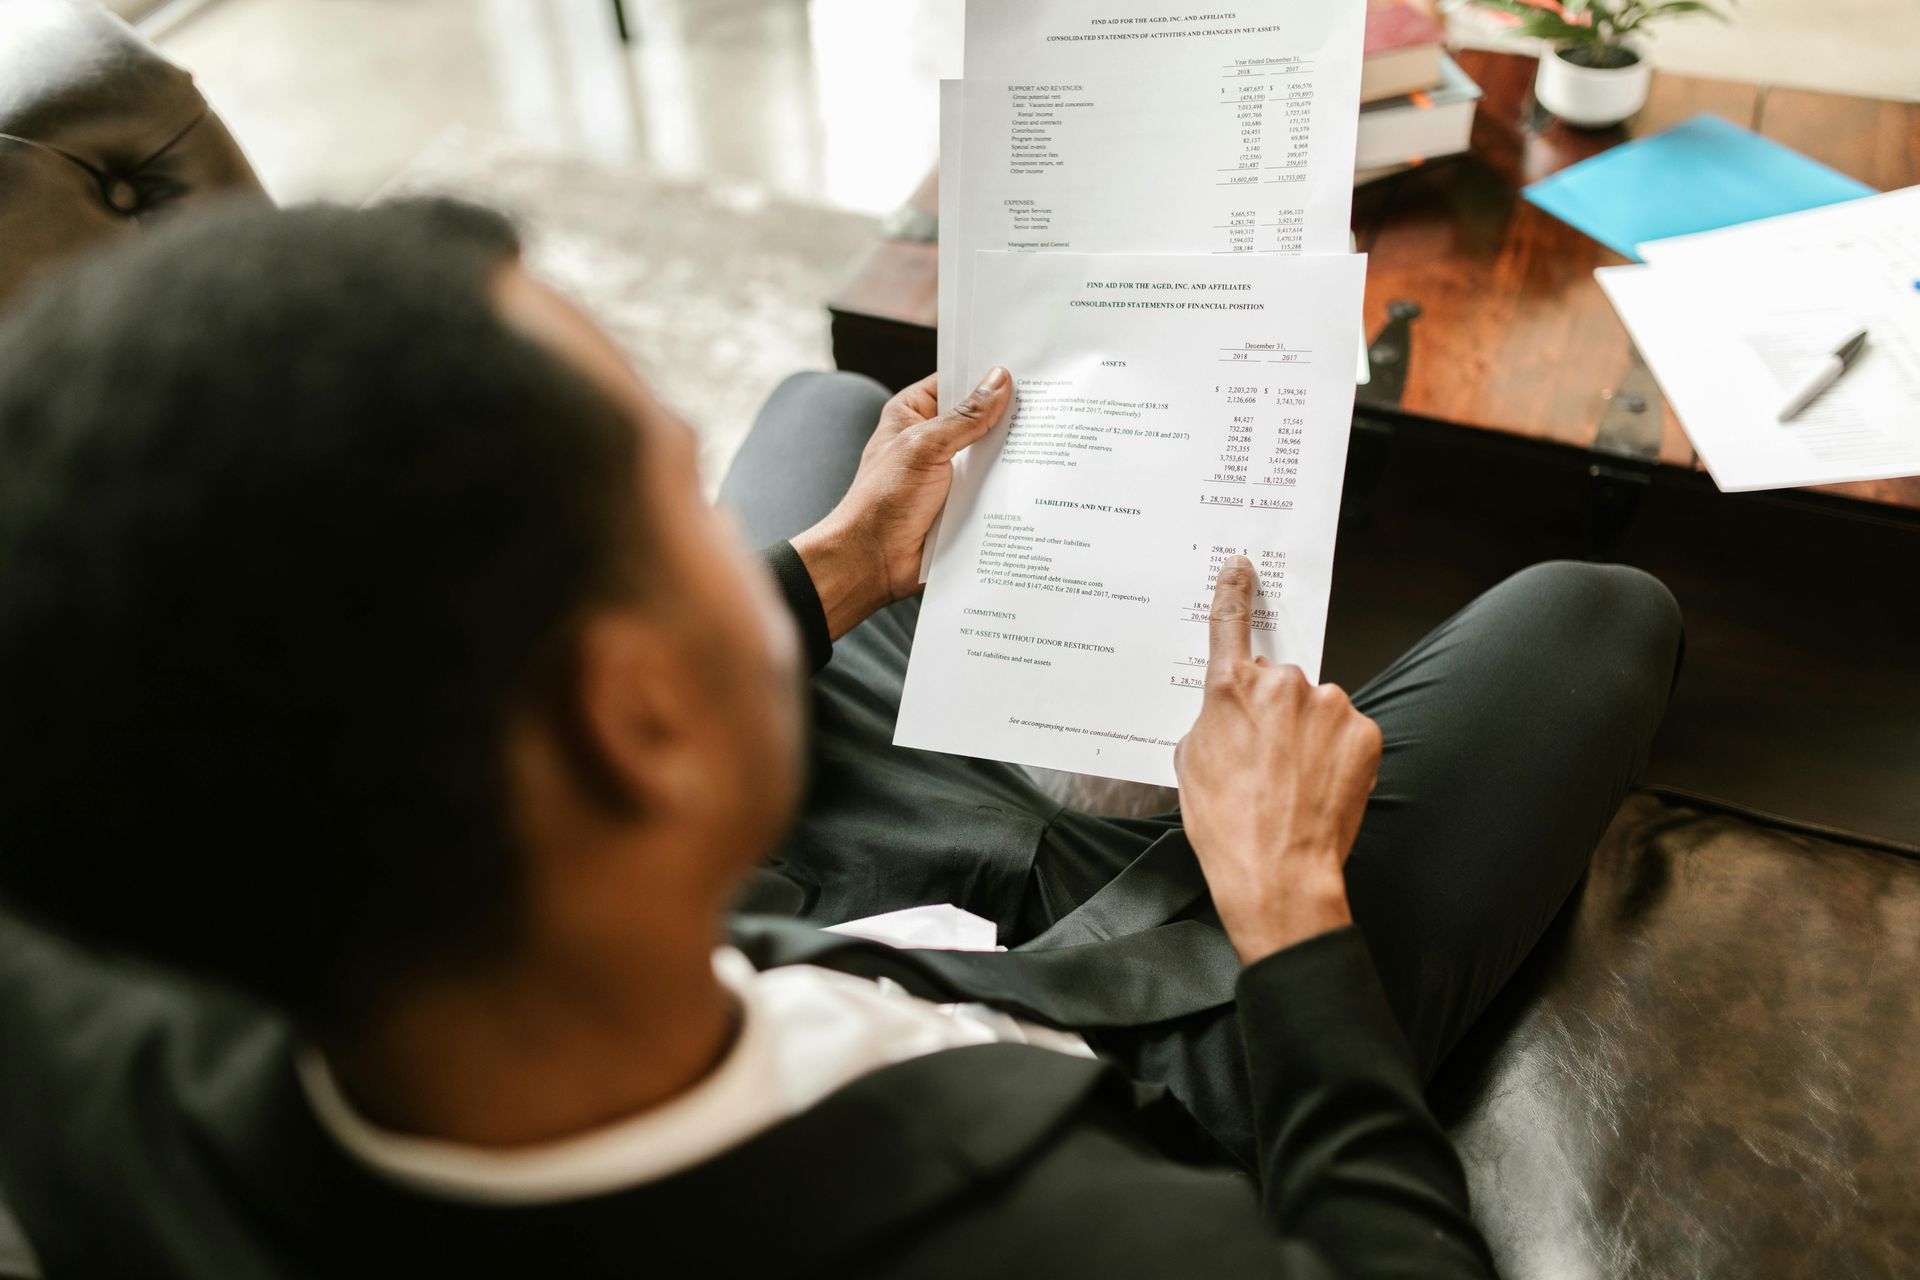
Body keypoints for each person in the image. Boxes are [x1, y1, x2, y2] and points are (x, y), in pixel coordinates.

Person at [0, 199, 1681, 1278]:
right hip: (1141, 1034)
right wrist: (1291, 906)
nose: (720, 527)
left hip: (772, 918)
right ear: (635, 725)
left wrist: (832, 571)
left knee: (820, 419)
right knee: (1596, 618)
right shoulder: (1084, 1242)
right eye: (675, 501)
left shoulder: (107, 1042)